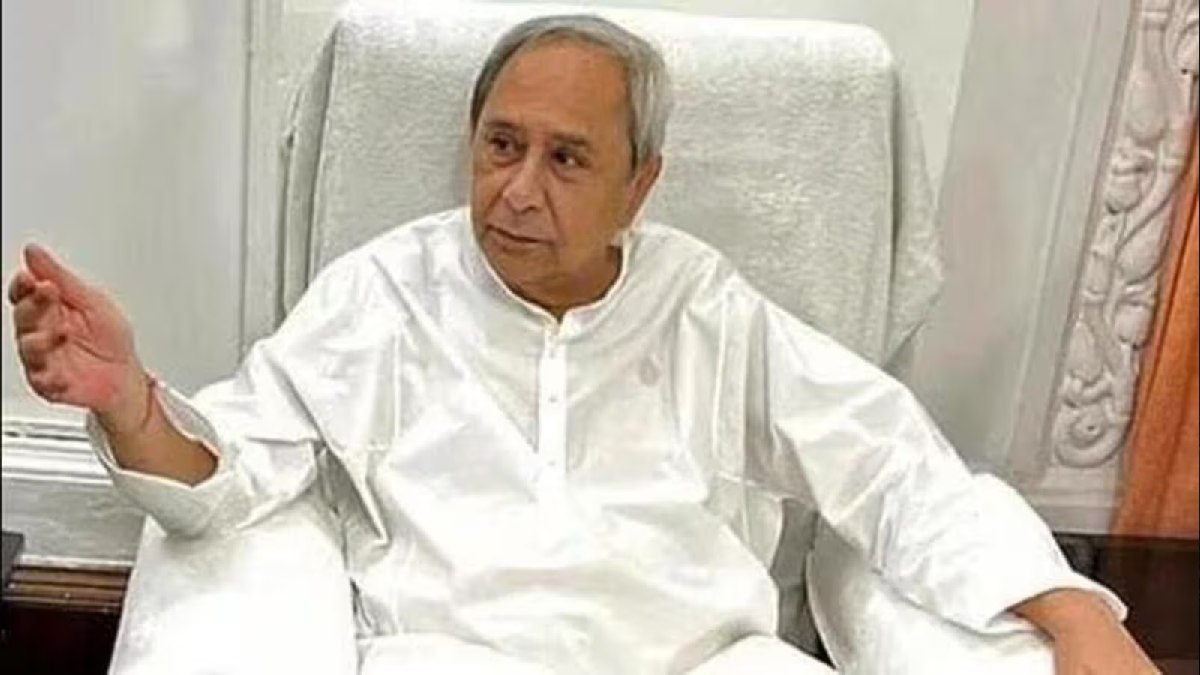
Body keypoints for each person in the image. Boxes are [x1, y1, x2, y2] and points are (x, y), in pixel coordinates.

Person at [8, 14, 1158, 675]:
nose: (517, 190)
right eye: (500, 145)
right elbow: (238, 474)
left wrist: (1067, 613)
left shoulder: (707, 307)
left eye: (566, 159)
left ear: (639, 186)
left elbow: (891, 467)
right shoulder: (385, 292)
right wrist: (128, 400)